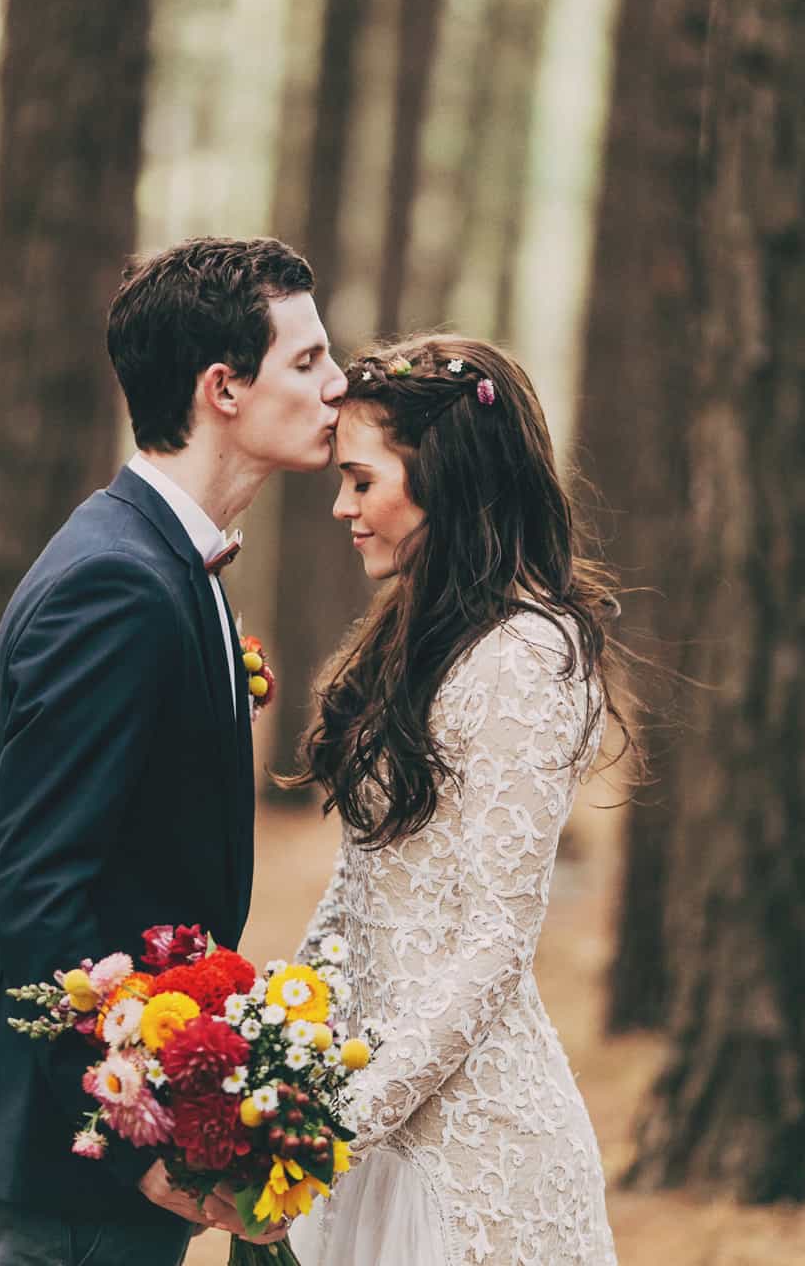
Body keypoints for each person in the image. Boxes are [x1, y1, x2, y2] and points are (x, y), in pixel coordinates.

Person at [0, 236, 347, 1266]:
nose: (338, 384)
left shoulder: (169, 564)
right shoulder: (114, 583)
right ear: (223, 388)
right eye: (306, 361)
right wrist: (142, 1142)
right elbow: (38, 895)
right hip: (64, 1169)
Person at [288, 335, 622, 1265]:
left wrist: (341, 1124)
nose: (342, 506)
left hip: (472, 1159)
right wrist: (271, 1044)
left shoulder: (528, 656)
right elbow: (361, 896)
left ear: (445, 474)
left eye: (362, 480)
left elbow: (496, 941)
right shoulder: (419, 638)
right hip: (366, 1125)